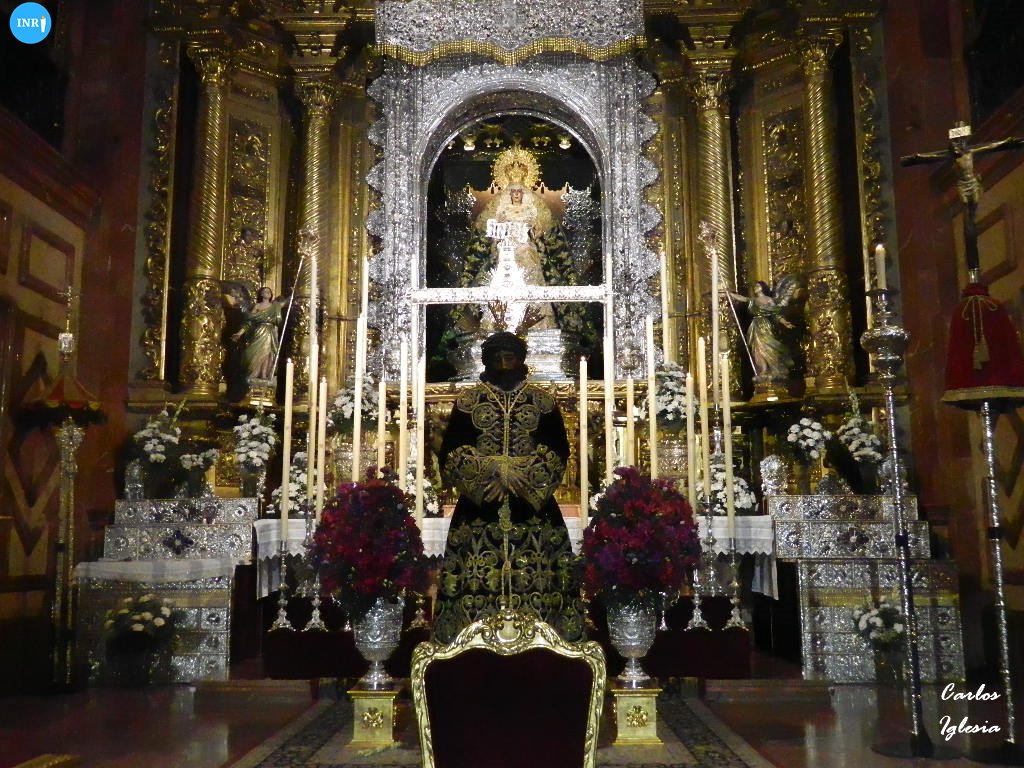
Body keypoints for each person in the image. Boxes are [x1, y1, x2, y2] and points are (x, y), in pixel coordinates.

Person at [433, 331, 583, 644]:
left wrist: (520, 474)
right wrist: (492, 468)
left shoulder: (543, 403)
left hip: (532, 509)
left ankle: (544, 642)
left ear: (521, 359)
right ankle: (470, 642)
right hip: (480, 507)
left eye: (509, 357)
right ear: (486, 361)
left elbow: (558, 452)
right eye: (497, 357)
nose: (503, 364)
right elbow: (451, 452)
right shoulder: (468, 403)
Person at [729, 277, 802, 383]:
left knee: (768, 347)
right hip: (755, 326)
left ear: (763, 288)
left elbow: (775, 313)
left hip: (765, 326)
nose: (755, 288)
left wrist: (784, 322)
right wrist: (730, 294)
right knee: (758, 349)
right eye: (755, 286)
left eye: (757, 286)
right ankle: (763, 369)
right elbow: (742, 298)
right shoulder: (753, 300)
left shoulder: (769, 300)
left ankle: (774, 369)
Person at [229, 286, 288, 390]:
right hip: (258, 332)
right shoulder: (258, 306)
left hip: (270, 331)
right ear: (261, 294)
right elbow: (249, 322)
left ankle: (264, 374)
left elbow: (286, 303)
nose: (267, 293)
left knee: (267, 353)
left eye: (269, 291)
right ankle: (254, 374)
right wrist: (239, 333)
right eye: (265, 291)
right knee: (255, 353)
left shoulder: (275, 306)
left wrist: (293, 293)